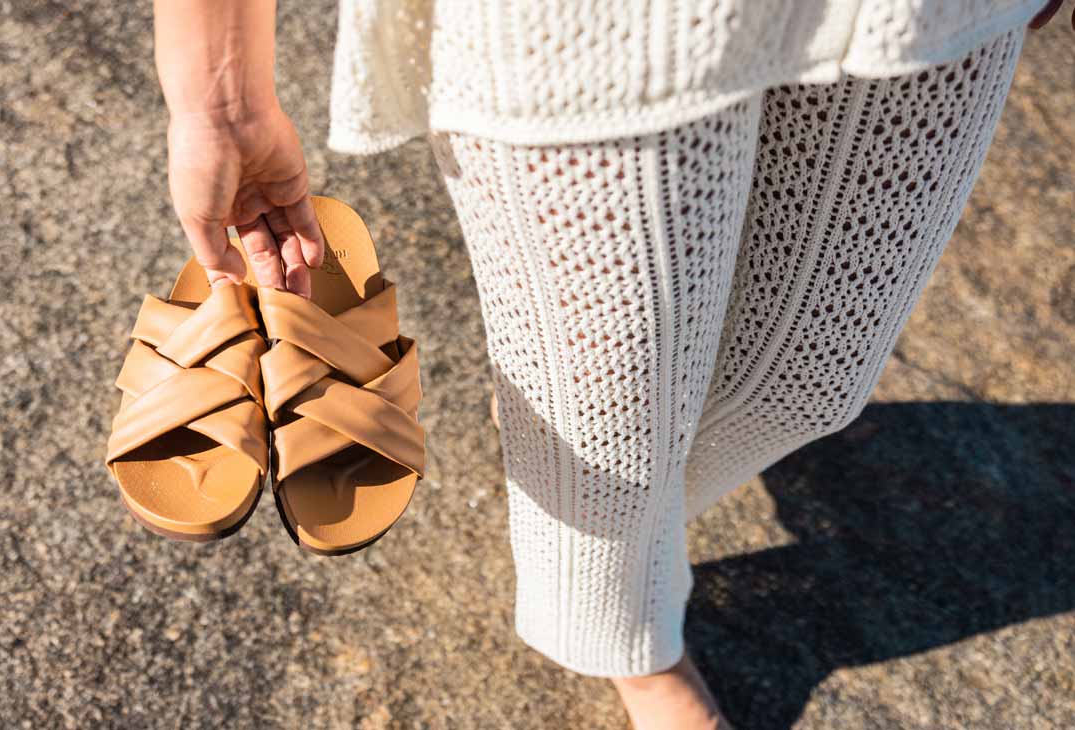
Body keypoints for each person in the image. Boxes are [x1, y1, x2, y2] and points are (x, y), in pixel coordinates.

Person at [151, 1, 1072, 727]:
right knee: (611, 451)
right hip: (593, 29)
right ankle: (628, 637)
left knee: (810, 382)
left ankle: (588, 482)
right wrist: (220, 99)